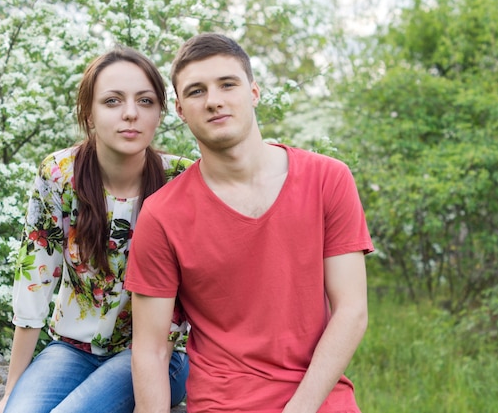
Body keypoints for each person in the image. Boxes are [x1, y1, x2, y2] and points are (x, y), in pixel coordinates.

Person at [125, 32, 374, 413]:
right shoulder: (162, 215)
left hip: (319, 399)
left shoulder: (328, 180)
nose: (214, 101)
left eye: (227, 84)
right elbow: (152, 350)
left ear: (254, 92)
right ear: (179, 109)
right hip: (223, 404)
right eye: (196, 92)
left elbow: (352, 311)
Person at [0, 46, 191, 413]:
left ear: (160, 112)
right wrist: (11, 390)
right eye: (112, 101)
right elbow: (36, 275)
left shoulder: (181, 181)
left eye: (145, 101)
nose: (131, 113)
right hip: (72, 348)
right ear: (89, 113)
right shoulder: (59, 175)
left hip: (158, 355)